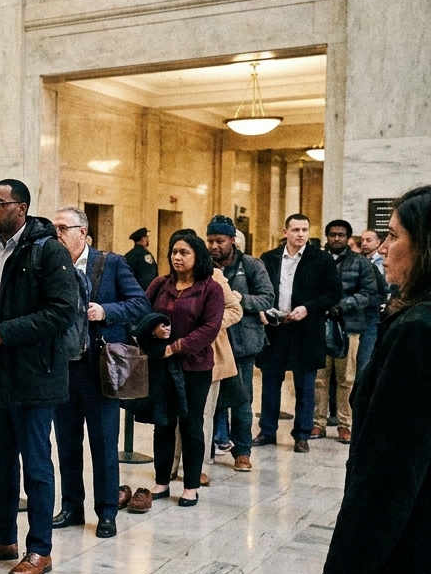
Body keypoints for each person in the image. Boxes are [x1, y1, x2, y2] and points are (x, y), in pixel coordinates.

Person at [319, 185, 431, 574]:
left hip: (412, 561)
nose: (383, 249)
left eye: (393, 237)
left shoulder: (417, 332)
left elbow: (387, 472)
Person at [0, 180, 77, 574]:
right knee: (0, 462)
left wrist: (4, 332)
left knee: (36, 465)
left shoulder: (48, 250)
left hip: (34, 377)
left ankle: (40, 548)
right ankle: (3, 536)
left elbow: (61, 311)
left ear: (21, 208)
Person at [49, 207, 150, 539]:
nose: (57, 233)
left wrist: (105, 311)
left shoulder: (112, 263)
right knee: (66, 442)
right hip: (63, 368)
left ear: (83, 231)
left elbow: (140, 304)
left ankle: (106, 512)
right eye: (54, 228)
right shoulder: (51, 266)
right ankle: (72, 507)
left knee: (104, 443)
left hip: (101, 368)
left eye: (63, 227)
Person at [140, 232, 225, 507]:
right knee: (163, 422)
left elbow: (210, 328)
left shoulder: (210, 288)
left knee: (191, 425)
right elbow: (140, 313)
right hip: (161, 366)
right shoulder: (160, 284)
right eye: (174, 251)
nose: (177, 257)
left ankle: (190, 485)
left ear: (197, 256)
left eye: (184, 252)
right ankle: (161, 481)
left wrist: (175, 347)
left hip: (194, 366)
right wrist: (152, 327)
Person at [254, 214, 341, 453]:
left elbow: (333, 293)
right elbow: (260, 289)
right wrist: (263, 309)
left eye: (304, 229)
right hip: (276, 328)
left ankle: (302, 434)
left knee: (305, 385)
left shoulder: (321, 259)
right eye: (295, 230)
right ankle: (267, 430)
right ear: (285, 232)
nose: (300, 234)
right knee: (270, 382)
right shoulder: (269, 258)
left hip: (306, 329)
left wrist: (308, 308)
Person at [207, 215, 275, 472]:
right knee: (210, 400)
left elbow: (267, 298)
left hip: (243, 343)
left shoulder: (251, 265)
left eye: (220, 241)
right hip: (212, 343)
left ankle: (242, 451)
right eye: (211, 240)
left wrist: (240, 299)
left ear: (232, 241)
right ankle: (210, 446)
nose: (214, 246)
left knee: (242, 401)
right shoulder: (203, 265)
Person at [313, 220, 379, 443]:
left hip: (349, 327)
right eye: (332, 235)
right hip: (320, 326)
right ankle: (318, 423)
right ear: (327, 236)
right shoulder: (317, 260)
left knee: (346, 379)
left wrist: (342, 305)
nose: (336, 239)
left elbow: (369, 293)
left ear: (349, 238)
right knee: (319, 379)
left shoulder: (360, 263)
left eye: (341, 235)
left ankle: (344, 424)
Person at [356, 228, 389, 376]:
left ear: (378, 242)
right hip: (359, 313)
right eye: (362, 240)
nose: (364, 244)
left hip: (374, 311)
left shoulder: (383, 262)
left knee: (366, 359)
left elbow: (385, 288)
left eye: (368, 240)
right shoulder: (358, 260)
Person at [125, 226, 159, 291]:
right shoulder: (146, 255)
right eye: (147, 237)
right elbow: (152, 275)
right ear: (144, 238)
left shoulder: (128, 255)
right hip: (145, 293)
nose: (148, 239)